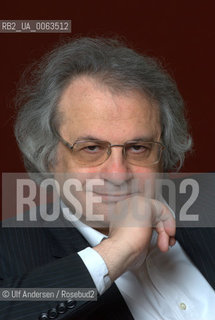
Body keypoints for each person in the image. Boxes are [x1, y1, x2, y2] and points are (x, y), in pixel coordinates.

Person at [1, 37, 215, 320]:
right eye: (91, 148)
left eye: (138, 148)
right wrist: (116, 251)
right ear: (49, 156)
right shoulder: (8, 246)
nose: (117, 174)